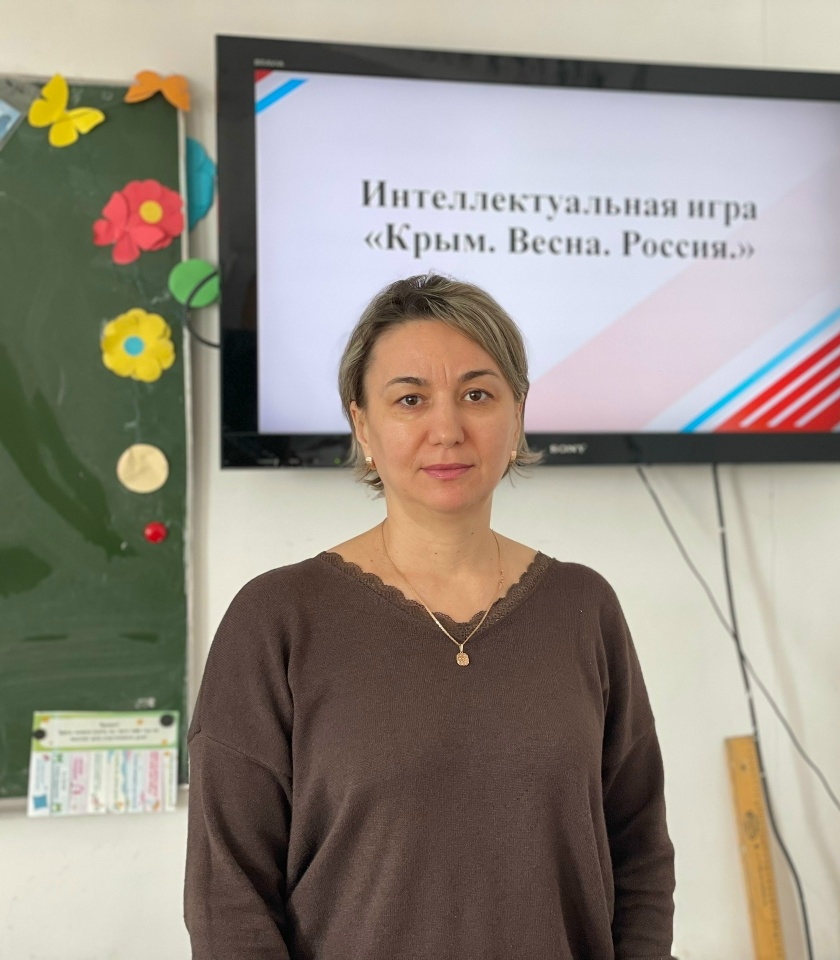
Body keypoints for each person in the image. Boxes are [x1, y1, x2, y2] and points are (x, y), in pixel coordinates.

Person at [184, 273, 677, 959]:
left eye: (477, 395)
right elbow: (227, 898)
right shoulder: (276, 619)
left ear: (517, 415)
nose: (447, 430)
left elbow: (641, 853)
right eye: (410, 399)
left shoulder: (583, 607)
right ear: (363, 424)